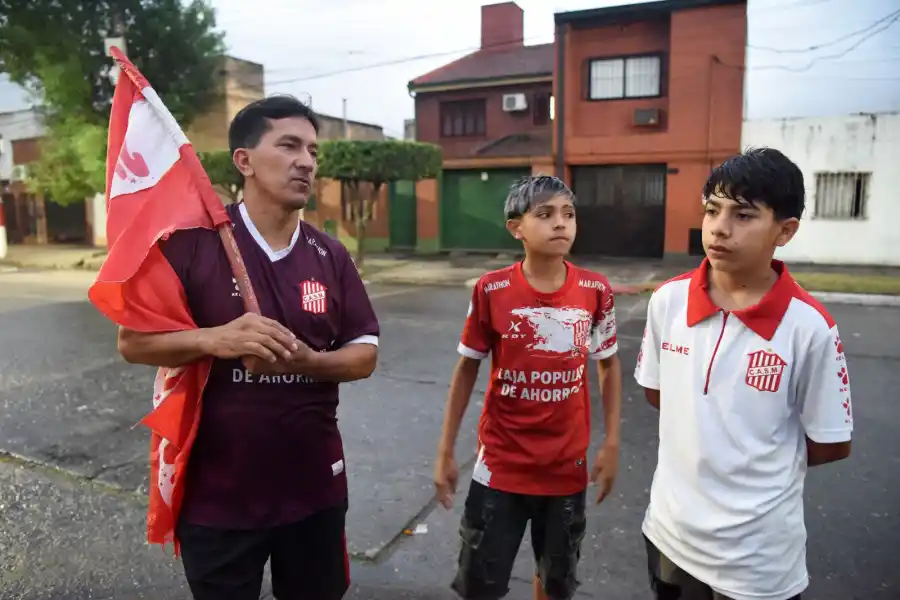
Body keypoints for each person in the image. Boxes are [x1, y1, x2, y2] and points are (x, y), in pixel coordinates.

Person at [116, 95, 379, 600]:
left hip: (314, 487)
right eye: (288, 145)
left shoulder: (331, 254)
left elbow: (364, 352)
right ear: (244, 161)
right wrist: (216, 339)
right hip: (218, 496)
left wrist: (309, 362)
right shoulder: (193, 244)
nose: (306, 160)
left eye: (313, 150)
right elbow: (133, 341)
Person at [635, 147, 853, 600]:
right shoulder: (668, 302)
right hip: (670, 534)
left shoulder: (809, 327)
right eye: (713, 210)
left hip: (757, 559)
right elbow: (660, 394)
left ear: (785, 231)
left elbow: (830, 442)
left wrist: (750, 463)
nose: (719, 227)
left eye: (744, 214)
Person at [433, 175, 623, 600]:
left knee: (556, 583)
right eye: (546, 214)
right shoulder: (491, 289)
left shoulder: (595, 291)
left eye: (568, 214)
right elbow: (466, 369)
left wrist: (611, 443)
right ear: (516, 228)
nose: (561, 224)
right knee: (481, 583)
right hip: (500, 466)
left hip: (565, 469)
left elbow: (608, 366)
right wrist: (446, 449)